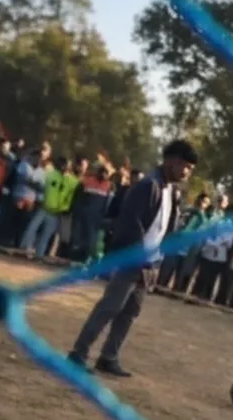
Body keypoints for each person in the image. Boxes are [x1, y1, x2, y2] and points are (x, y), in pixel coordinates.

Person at [67, 140, 198, 378]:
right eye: (186, 166)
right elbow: (130, 224)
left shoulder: (171, 191)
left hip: (149, 263)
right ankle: (78, 353)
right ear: (173, 161)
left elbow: (163, 229)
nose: (187, 172)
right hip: (132, 260)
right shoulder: (147, 186)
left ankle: (108, 357)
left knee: (129, 313)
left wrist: (156, 260)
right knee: (109, 307)